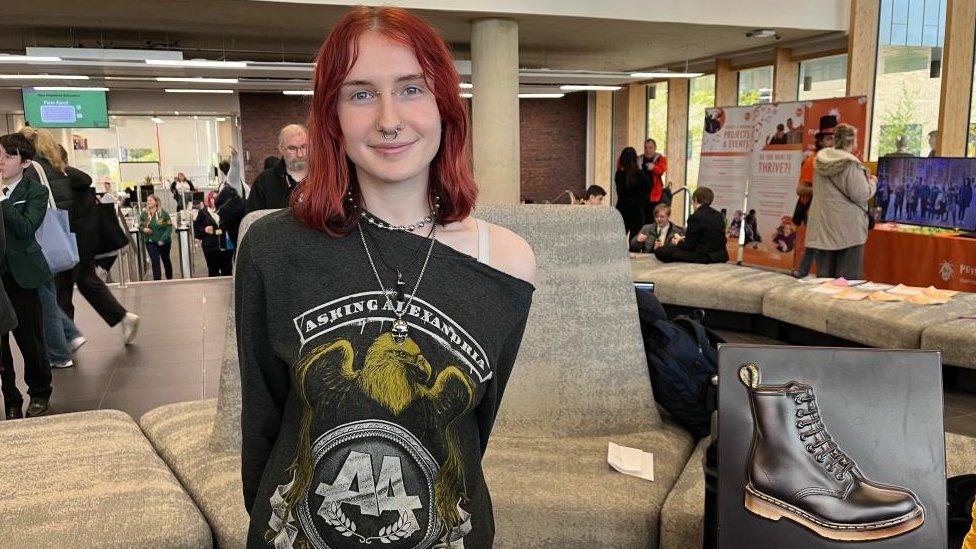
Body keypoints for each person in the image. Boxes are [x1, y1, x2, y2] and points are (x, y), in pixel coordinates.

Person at [237, 7, 536, 548]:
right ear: (331, 117)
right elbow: (262, 423)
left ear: (446, 106)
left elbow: (469, 433)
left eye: (412, 89)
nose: (389, 119)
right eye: (361, 94)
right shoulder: (272, 247)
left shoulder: (506, 262)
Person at [20, 129, 140, 345]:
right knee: (86, 281)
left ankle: (68, 339)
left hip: (59, 239)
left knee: (60, 290)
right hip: (81, 239)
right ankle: (123, 316)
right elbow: (85, 181)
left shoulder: (35, 171)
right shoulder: (63, 171)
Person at [0, 134, 53, 418]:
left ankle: (40, 393)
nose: (1, 161)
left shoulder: (35, 192)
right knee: (0, 343)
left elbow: (25, 227)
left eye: (8, 156)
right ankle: (10, 397)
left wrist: (2, 199)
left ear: (26, 162)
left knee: (29, 338)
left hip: (23, 276)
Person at [806, 123, 877, 279]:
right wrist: (872, 183)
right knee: (846, 284)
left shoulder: (820, 161)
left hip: (823, 228)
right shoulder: (850, 164)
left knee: (825, 279)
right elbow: (860, 194)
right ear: (851, 142)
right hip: (847, 231)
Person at [794, 115, 836, 278]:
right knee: (818, 247)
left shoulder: (839, 161)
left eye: (834, 139)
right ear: (820, 142)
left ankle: (803, 272)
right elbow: (800, 189)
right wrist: (821, 189)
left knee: (816, 246)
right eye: (828, 139)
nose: (832, 143)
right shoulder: (813, 161)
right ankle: (821, 278)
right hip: (813, 211)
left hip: (830, 212)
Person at [655, 186, 729, 264]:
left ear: (696, 199)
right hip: (720, 256)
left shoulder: (695, 217)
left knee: (661, 251)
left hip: (704, 257)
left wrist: (678, 242)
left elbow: (688, 246)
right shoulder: (719, 215)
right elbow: (709, 237)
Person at [246, 125, 308, 212]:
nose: (300, 154)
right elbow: (252, 219)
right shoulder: (264, 181)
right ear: (281, 149)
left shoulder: (323, 178)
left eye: (304, 147)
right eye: (292, 148)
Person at [194, 191, 233, 277]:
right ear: (209, 199)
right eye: (214, 198)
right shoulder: (203, 213)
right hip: (210, 246)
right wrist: (205, 229)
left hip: (226, 245)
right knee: (213, 270)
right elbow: (196, 227)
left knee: (227, 270)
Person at [615, 147, 651, 238]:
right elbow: (648, 188)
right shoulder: (640, 175)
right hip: (637, 211)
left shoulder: (619, 174)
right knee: (635, 241)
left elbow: (620, 192)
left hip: (622, 210)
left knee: (620, 239)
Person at [215, 147, 247, 250]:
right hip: (237, 219)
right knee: (238, 247)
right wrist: (235, 157)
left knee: (234, 248)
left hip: (230, 219)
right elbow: (235, 167)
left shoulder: (225, 183)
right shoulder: (233, 180)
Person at [139, 195, 174, 280]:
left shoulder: (164, 214)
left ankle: (169, 278)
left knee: (166, 260)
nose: (148, 202)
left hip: (164, 242)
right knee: (155, 261)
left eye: (150, 200)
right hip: (150, 241)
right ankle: (157, 281)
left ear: (156, 202)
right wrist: (144, 230)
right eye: (147, 201)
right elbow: (139, 225)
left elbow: (169, 227)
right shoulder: (144, 214)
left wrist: (163, 239)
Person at [638, 138, 668, 223]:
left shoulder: (660, 158)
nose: (648, 150)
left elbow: (662, 170)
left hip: (655, 196)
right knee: (642, 221)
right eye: (646, 148)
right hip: (641, 196)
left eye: (650, 147)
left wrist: (654, 167)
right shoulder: (639, 159)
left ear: (655, 148)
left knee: (654, 220)